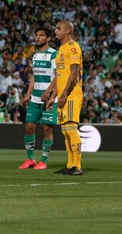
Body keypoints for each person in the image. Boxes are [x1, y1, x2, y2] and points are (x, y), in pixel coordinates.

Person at [46, 20, 84, 175]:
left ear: (68, 31)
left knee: (71, 129)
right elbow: (59, 76)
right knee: (65, 131)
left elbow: (74, 73)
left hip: (71, 95)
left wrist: (63, 94)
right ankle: (70, 165)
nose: (55, 31)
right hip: (62, 95)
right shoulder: (61, 49)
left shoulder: (73, 48)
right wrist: (52, 96)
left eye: (58, 28)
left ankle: (78, 166)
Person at [18, 25, 58, 170]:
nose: (37, 37)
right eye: (36, 35)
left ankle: (44, 161)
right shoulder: (35, 55)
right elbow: (34, 77)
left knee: (46, 129)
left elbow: (58, 76)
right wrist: (28, 95)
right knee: (29, 126)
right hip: (35, 98)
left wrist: (48, 91)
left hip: (49, 98)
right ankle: (30, 159)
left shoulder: (54, 54)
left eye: (41, 35)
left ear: (48, 38)